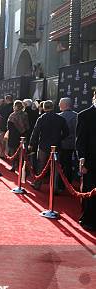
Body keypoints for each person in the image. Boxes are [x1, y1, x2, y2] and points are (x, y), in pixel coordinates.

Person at [28, 100, 69, 190]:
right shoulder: (60, 119)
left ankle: (37, 184)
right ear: (53, 107)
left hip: (43, 145)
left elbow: (36, 132)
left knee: (40, 166)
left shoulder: (41, 118)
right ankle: (54, 188)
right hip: (56, 146)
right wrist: (59, 138)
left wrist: (31, 143)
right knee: (56, 168)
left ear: (43, 108)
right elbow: (67, 132)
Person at [76, 91, 96, 231]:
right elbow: (80, 141)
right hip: (90, 161)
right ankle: (88, 219)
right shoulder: (84, 115)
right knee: (89, 190)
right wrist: (82, 160)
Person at [58, 97, 78, 192]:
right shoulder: (77, 116)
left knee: (61, 165)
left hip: (62, 144)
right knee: (68, 164)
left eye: (60, 103)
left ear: (64, 105)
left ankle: (60, 185)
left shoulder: (59, 116)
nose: (58, 105)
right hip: (73, 144)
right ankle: (68, 184)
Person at [6, 100, 30, 172]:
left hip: (13, 135)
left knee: (13, 151)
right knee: (21, 152)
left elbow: (9, 127)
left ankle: (13, 166)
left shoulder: (12, 115)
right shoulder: (25, 114)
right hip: (22, 135)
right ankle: (21, 166)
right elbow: (27, 126)